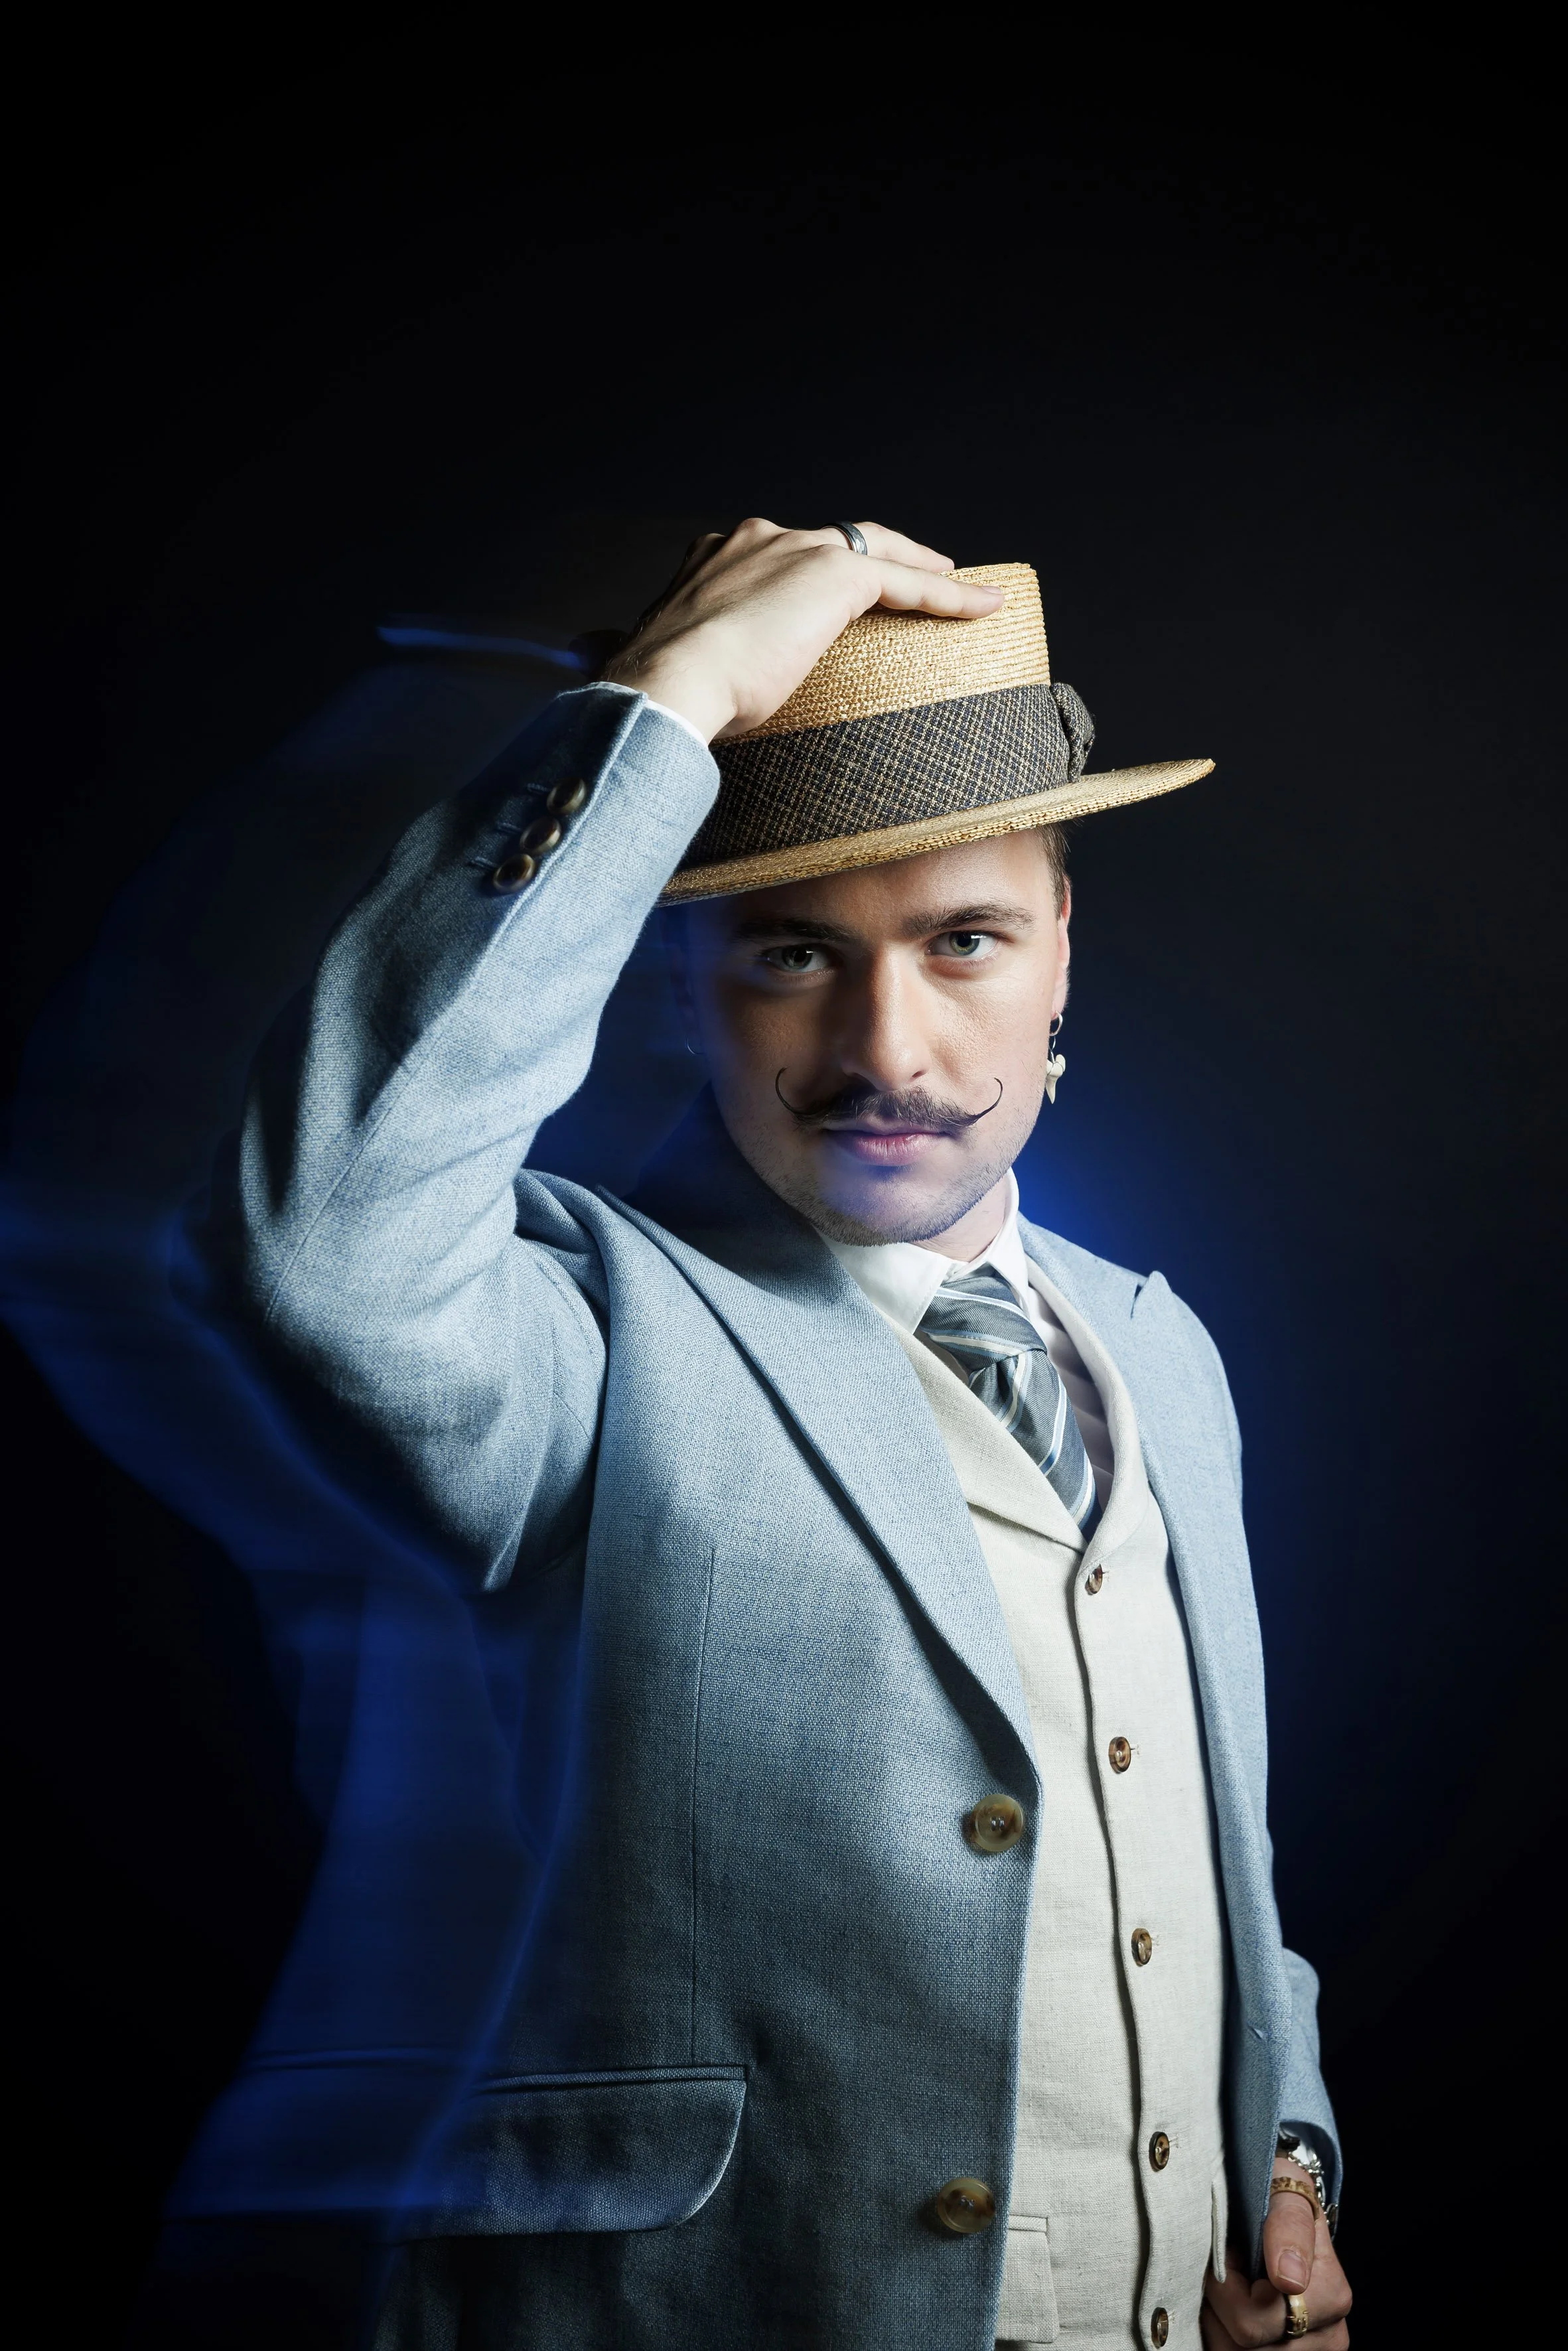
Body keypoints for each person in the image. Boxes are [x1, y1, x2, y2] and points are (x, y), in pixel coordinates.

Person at [202, 518, 1352, 2348]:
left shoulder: (1159, 1344)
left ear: (1066, 944)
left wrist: (1281, 2164)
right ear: (675, 974)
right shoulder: (586, 1329)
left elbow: (1216, 1845)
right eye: (793, 953)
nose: (886, 1045)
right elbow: (319, 1234)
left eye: (966, 936)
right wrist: (670, 704)